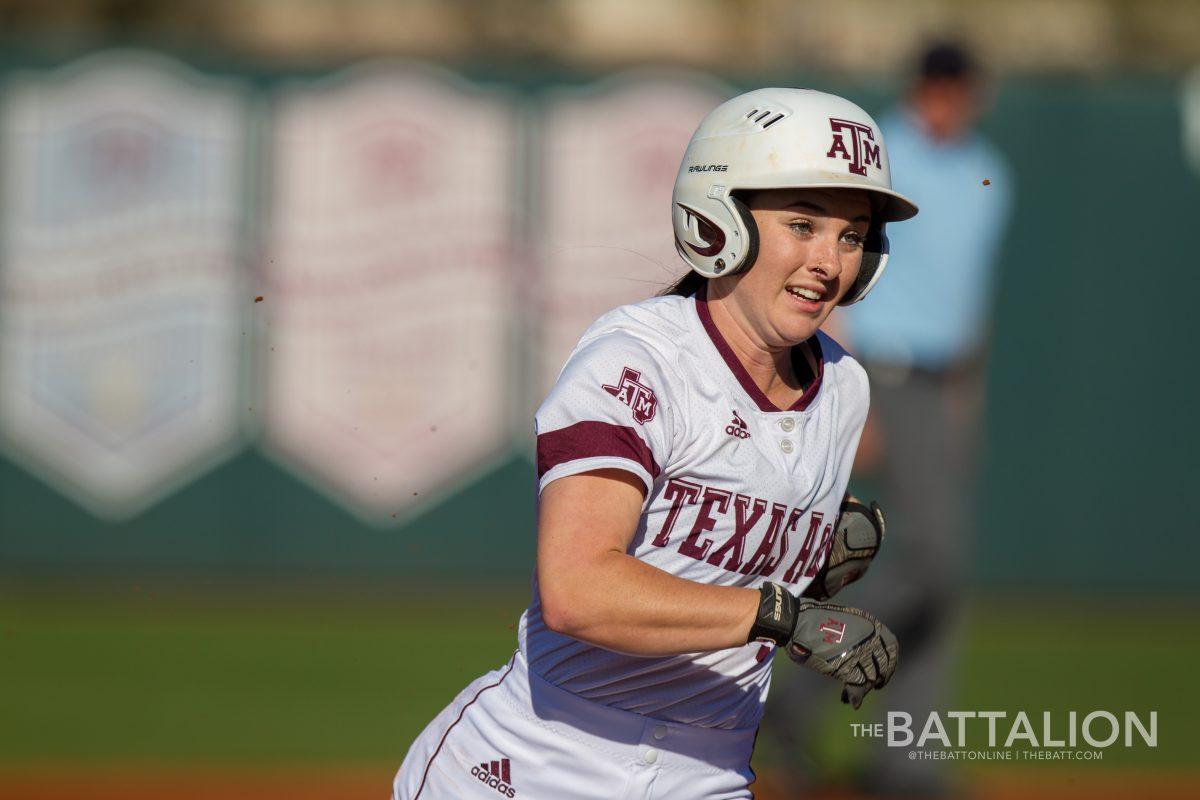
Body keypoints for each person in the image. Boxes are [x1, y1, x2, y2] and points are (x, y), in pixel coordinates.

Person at [391, 87, 917, 800]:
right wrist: (785, 613)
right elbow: (578, 591)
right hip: (534, 767)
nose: (828, 259)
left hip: (708, 774)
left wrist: (806, 566)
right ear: (720, 219)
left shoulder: (844, 388)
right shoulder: (637, 359)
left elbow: (720, 557)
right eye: (802, 224)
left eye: (851, 236)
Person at [761, 43, 1013, 798]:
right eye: (934, 87)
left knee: (944, 574)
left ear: (974, 93)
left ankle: (907, 755)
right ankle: (797, 686)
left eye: (957, 89)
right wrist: (842, 392)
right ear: (917, 89)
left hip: (943, 379)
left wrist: (969, 398)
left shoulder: (990, 175)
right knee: (934, 556)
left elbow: (971, 298)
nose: (945, 100)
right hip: (879, 367)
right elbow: (831, 268)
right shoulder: (884, 156)